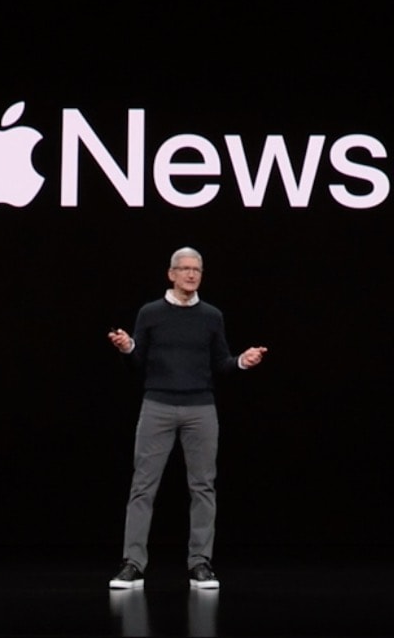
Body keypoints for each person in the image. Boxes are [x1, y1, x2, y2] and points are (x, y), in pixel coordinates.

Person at [106, 247, 267, 590]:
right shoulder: (150, 313)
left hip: (200, 408)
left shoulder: (211, 316)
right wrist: (127, 348)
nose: (192, 274)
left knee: (203, 486)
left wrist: (241, 362)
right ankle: (132, 563)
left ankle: (200, 564)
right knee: (143, 486)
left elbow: (221, 363)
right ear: (171, 274)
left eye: (197, 270)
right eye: (185, 269)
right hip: (157, 405)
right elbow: (137, 363)